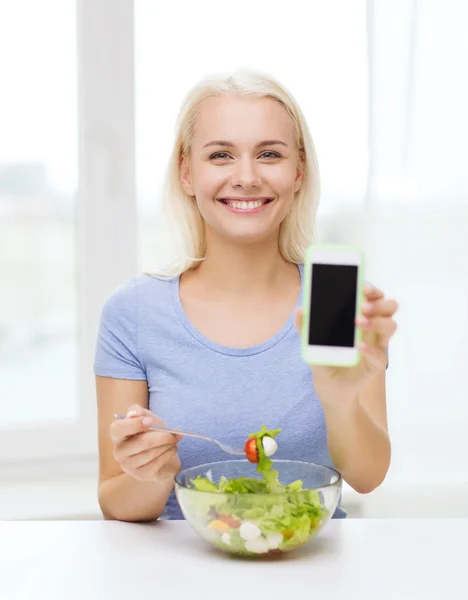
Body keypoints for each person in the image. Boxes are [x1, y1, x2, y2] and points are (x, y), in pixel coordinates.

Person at [94, 70, 398, 522]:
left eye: (269, 154)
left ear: (298, 172)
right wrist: (152, 473)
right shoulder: (133, 312)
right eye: (220, 155)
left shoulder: (338, 303)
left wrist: (339, 401)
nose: (247, 177)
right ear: (187, 173)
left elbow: (368, 477)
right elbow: (115, 503)